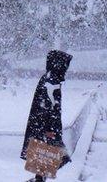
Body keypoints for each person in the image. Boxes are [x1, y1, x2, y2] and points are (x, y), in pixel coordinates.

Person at [21, 49, 73, 181]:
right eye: (65, 65)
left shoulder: (49, 77)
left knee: (46, 155)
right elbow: (47, 106)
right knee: (57, 156)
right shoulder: (52, 80)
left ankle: (39, 179)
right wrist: (47, 129)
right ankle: (39, 179)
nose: (66, 68)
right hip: (48, 126)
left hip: (43, 124)